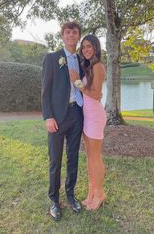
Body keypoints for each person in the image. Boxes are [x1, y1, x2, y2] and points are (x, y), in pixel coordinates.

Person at [41, 21, 84, 221]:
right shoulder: (52, 58)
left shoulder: (82, 60)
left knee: (73, 158)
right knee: (55, 161)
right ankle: (54, 201)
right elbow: (45, 91)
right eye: (68, 32)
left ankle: (71, 195)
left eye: (75, 33)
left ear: (78, 36)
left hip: (77, 114)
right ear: (62, 36)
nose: (71, 35)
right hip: (57, 117)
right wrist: (48, 116)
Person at [70, 34, 107, 211]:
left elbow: (97, 95)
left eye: (89, 46)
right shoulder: (89, 67)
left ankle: (99, 194)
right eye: (83, 46)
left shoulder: (98, 66)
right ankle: (92, 192)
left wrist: (78, 83)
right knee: (90, 158)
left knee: (95, 157)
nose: (85, 49)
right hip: (87, 117)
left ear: (95, 48)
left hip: (95, 118)